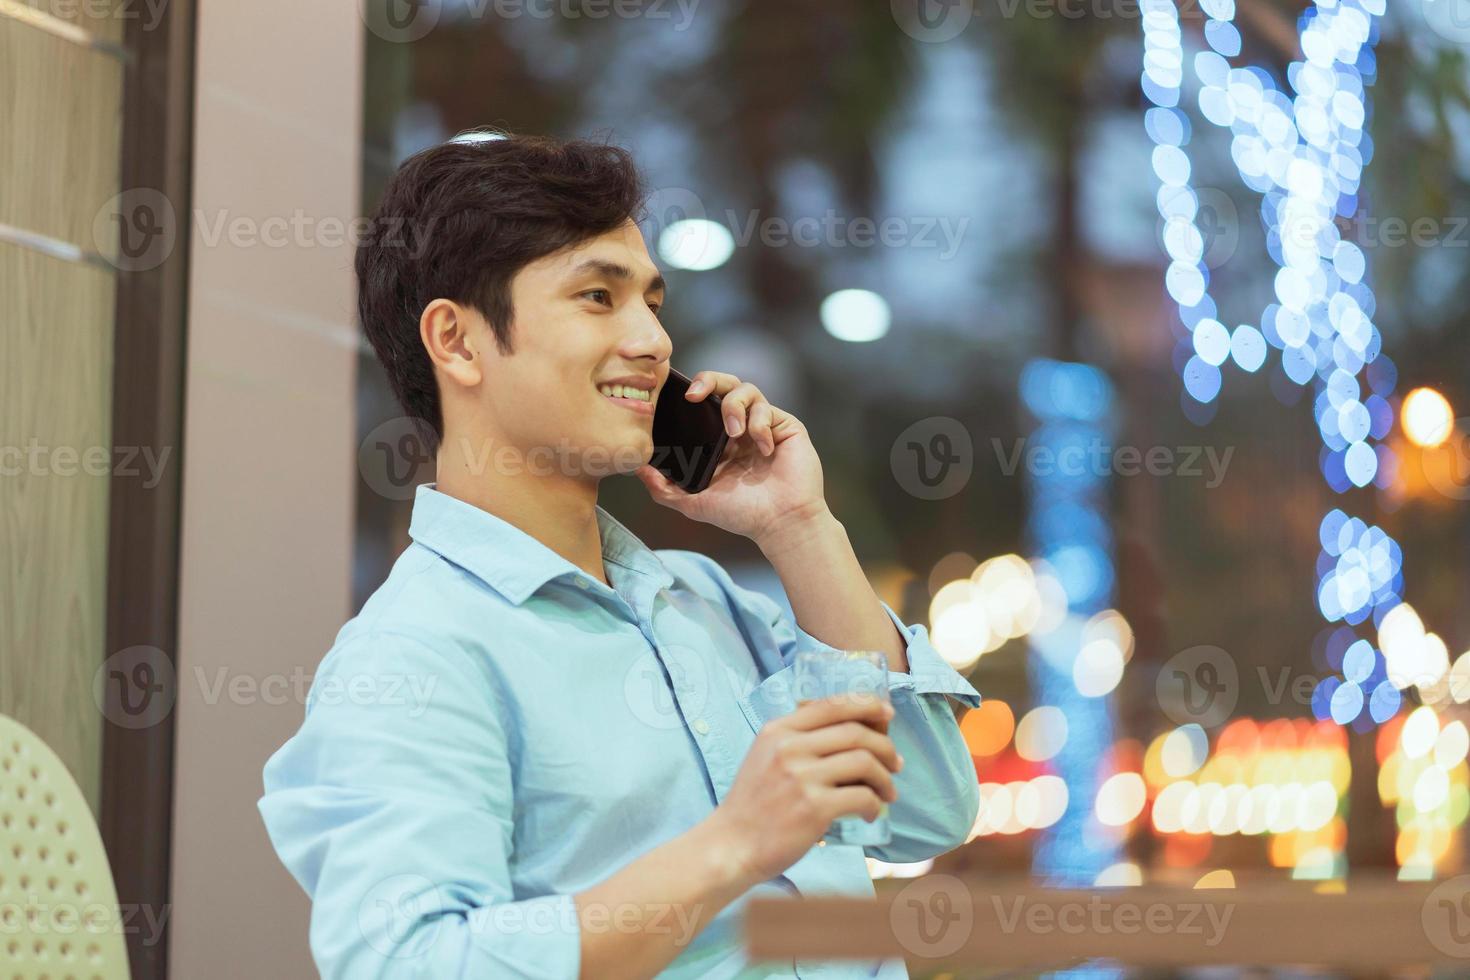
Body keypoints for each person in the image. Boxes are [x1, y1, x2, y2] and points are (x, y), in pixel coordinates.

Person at [257, 130, 981, 980]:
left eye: (653, 301)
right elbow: (414, 964)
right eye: (598, 297)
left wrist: (799, 525)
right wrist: (734, 845)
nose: (653, 340)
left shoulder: (705, 602)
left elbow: (928, 809)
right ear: (456, 342)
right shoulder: (414, 658)